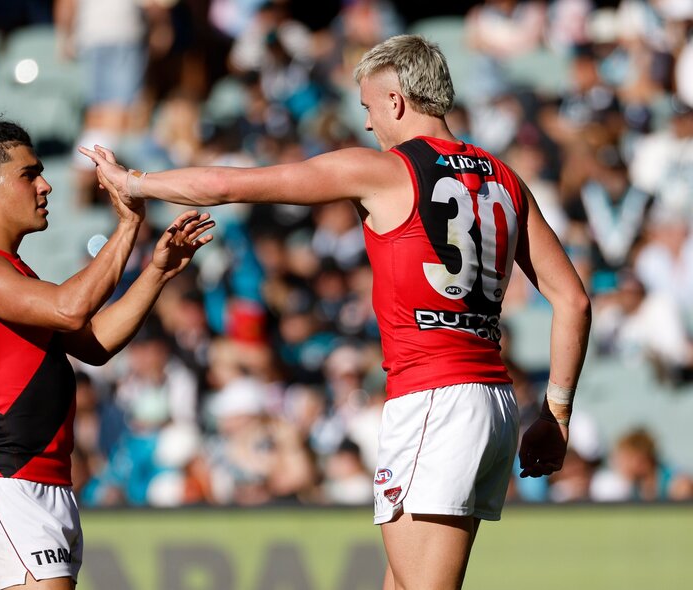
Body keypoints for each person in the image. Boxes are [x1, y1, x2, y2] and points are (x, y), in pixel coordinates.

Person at [80, 34, 592, 589]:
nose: (369, 125)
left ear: (396, 101)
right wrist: (556, 414)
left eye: (370, 107)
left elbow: (229, 184)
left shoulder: (383, 170)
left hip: (433, 398)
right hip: (491, 401)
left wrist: (134, 181)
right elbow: (574, 300)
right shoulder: (505, 179)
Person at [0, 116, 213, 590]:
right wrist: (128, 225)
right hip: (7, 478)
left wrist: (158, 272)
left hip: (45, 482)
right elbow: (70, 309)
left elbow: (93, 344)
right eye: (29, 174)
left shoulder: (13, 274)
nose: (46, 186)